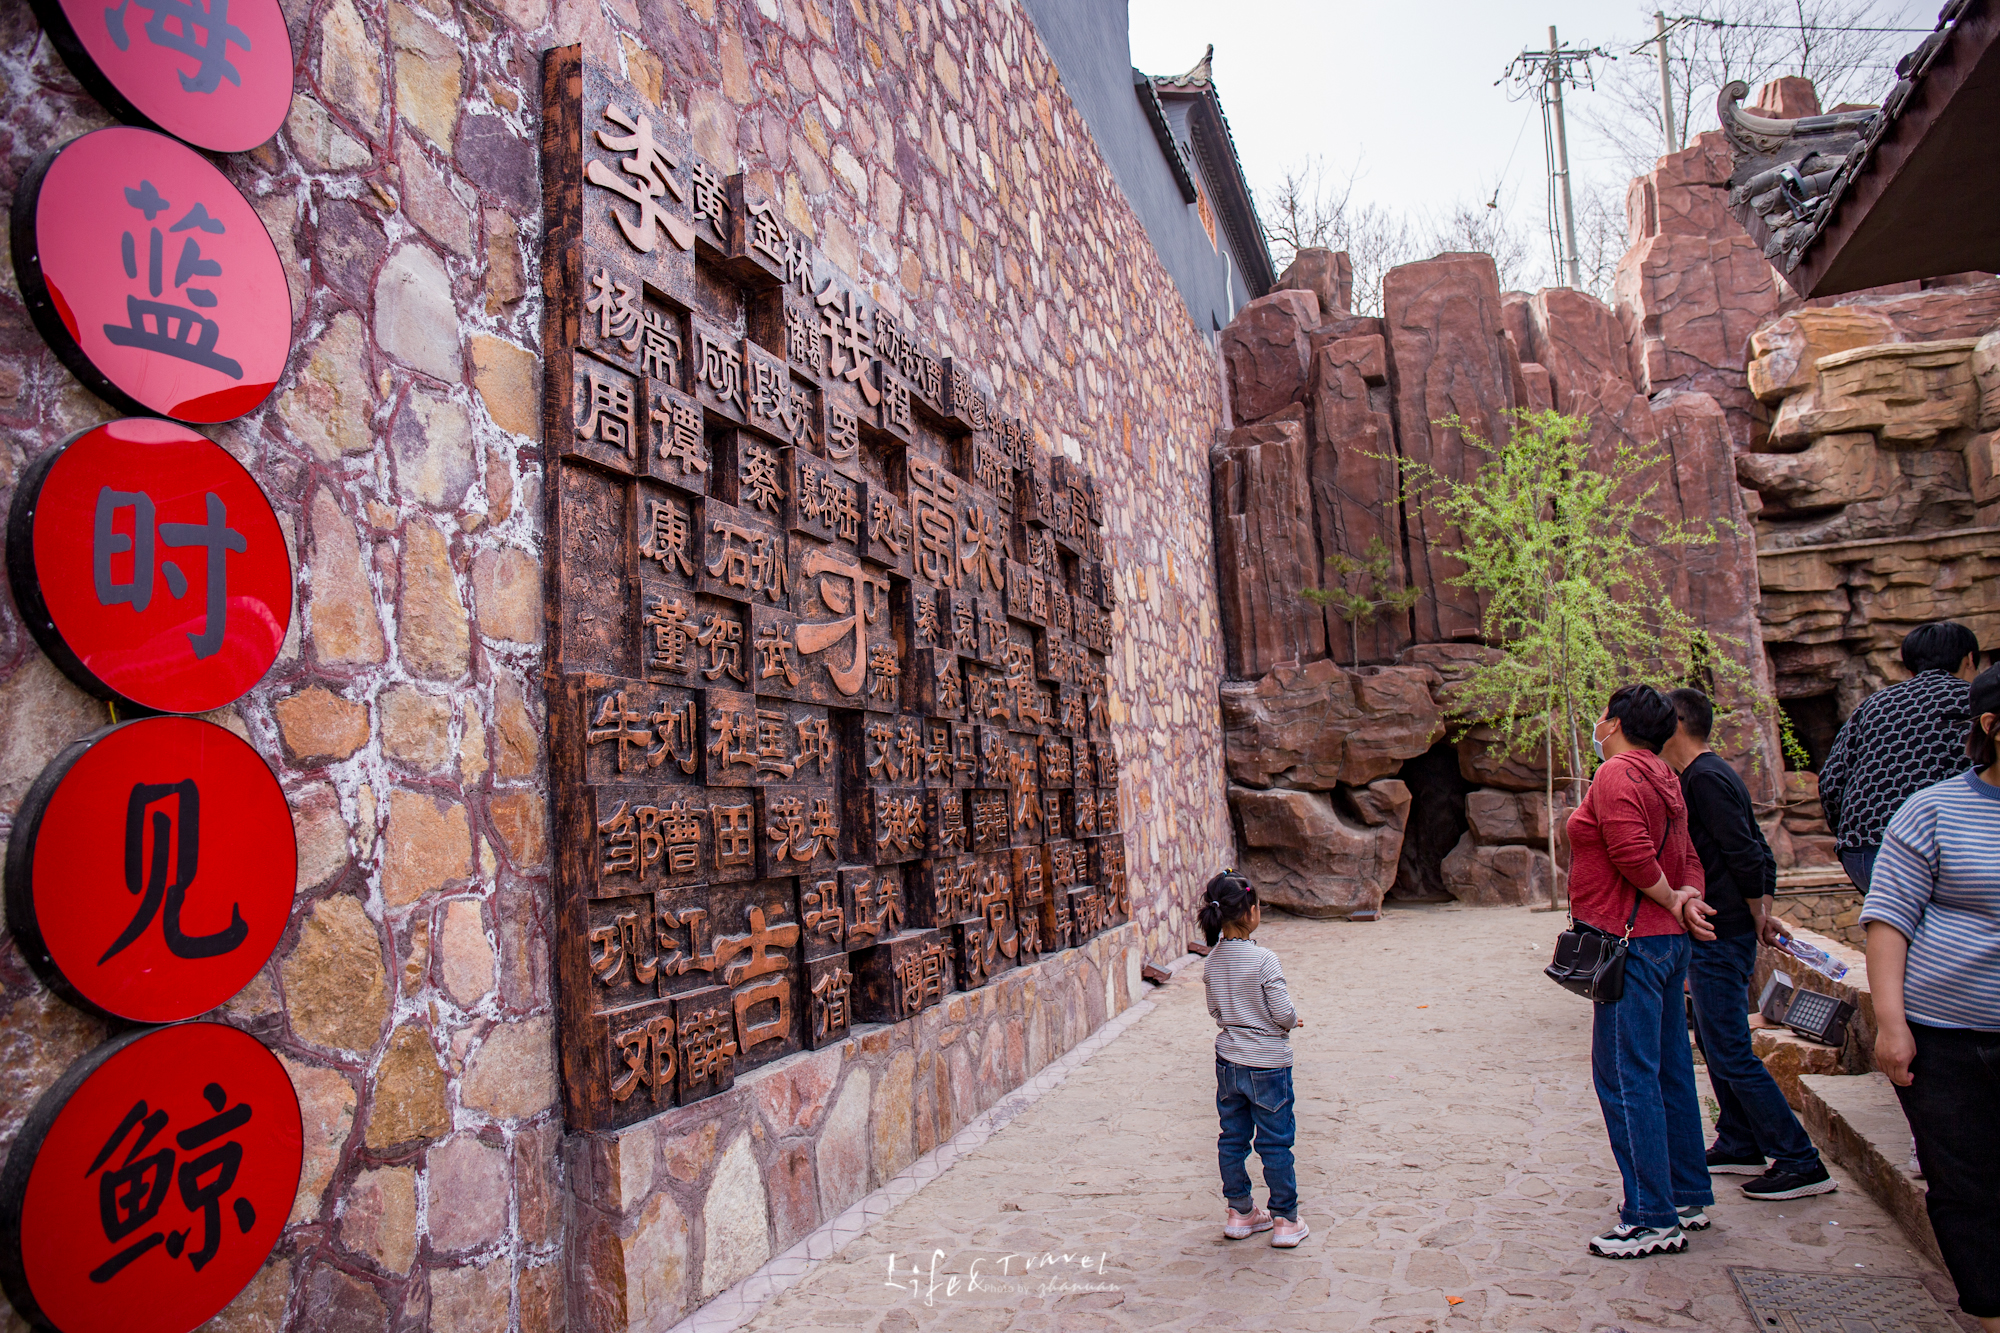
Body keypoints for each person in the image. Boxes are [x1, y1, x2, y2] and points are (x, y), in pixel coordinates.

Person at [1861, 663, 2000, 1333]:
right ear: (1991, 725)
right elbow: (1888, 918)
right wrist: (1892, 1024)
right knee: (1966, 1184)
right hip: (1946, 1036)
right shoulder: (1933, 809)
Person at [1664, 689, 1836, 1201]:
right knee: (1715, 1042)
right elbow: (1754, 849)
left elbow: (1748, 852)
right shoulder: (1700, 776)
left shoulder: (1707, 778)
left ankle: (1800, 1160)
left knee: (1733, 1049)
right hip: (1721, 928)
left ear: (1675, 722)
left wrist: (1759, 915)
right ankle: (1739, 1139)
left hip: (1723, 932)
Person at [1567, 684, 1718, 1258]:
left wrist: (1673, 900)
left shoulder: (1617, 775)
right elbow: (1688, 856)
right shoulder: (1664, 775)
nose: (1597, 722)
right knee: (1670, 1071)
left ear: (1618, 723)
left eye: (1602, 715)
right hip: (1666, 944)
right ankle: (1683, 1192)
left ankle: (1650, 1215)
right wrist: (1687, 899)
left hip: (1630, 943)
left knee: (1625, 1078)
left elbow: (1633, 856)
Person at [1820, 620, 1979, 892]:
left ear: (1909, 668)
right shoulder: (1975, 704)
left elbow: (1831, 782)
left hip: (1863, 853)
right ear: (1970, 660)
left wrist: (1852, 836)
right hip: (1943, 855)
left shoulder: (1874, 705)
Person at [1200, 872, 1309, 1249]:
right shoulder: (1264, 959)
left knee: (1232, 1139)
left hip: (1229, 1062)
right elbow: (1281, 1012)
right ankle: (1284, 1219)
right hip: (1268, 1064)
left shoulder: (1212, 960)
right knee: (1276, 1143)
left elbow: (1215, 1010)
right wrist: (1293, 1020)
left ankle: (1240, 1211)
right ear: (1249, 913)